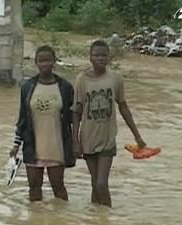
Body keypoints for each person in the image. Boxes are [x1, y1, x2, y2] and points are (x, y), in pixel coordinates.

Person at [72, 40, 146, 207]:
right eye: (96, 55)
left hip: (107, 138)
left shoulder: (115, 78)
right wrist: (75, 140)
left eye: (104, 55)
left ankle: (107, 216)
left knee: (101, 184)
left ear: (109, 58)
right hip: (88, 138)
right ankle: (96, 217)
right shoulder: (82, 79)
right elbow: (76, 112)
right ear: (90, 57)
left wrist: (137, 136)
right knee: (94, 184)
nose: (100, 58)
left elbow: (123, 107)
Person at [10, 45, 75, 202]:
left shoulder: (65, 87)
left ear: (54, 62)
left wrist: (77, 142)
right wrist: (16, 145)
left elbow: (73, 117)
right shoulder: (27, 87)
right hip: (33, 145)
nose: (45, 64)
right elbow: (23, 118)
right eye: (41, 61)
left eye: (48, 60)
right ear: (36, 63)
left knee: (58, 186)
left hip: (57, 145)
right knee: (34, 186)